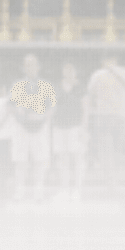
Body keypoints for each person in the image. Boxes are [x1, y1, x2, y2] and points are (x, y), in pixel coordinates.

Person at [2, 54, 56, 201]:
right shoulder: (17, 85)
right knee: (20, 160)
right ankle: (19, 191)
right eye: (27, 65)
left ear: (38, 67)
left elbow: (52, 107)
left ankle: (39, 190)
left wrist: (43, 117)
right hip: (21, 128)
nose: (30, 68)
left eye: (33, 65)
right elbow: (9, 106)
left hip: (40, 126)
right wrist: (20, 116)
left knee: (40, 160)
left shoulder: (46, 86)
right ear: (23, 68)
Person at [86, 53, 125, 181]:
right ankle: (116, 178)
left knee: (105, 149)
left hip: (104, 116)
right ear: (116, 60)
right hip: (122, 116)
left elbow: (90, 96)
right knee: (118, 148)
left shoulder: (98, 74)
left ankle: (109, 178)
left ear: (103, 60)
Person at [50, 62, 87, 200]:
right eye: (66, 70)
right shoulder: (57, 87)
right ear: (63, 72)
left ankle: (77, 190)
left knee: (77, 159)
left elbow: (86, 109)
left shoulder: (80, 88)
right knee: (62, 160)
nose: (69, 72)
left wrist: (84, 128)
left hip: (75, 127)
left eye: (72, 70)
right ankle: (64, 190)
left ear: (76, 72)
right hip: (59, 128)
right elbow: (52, 107)